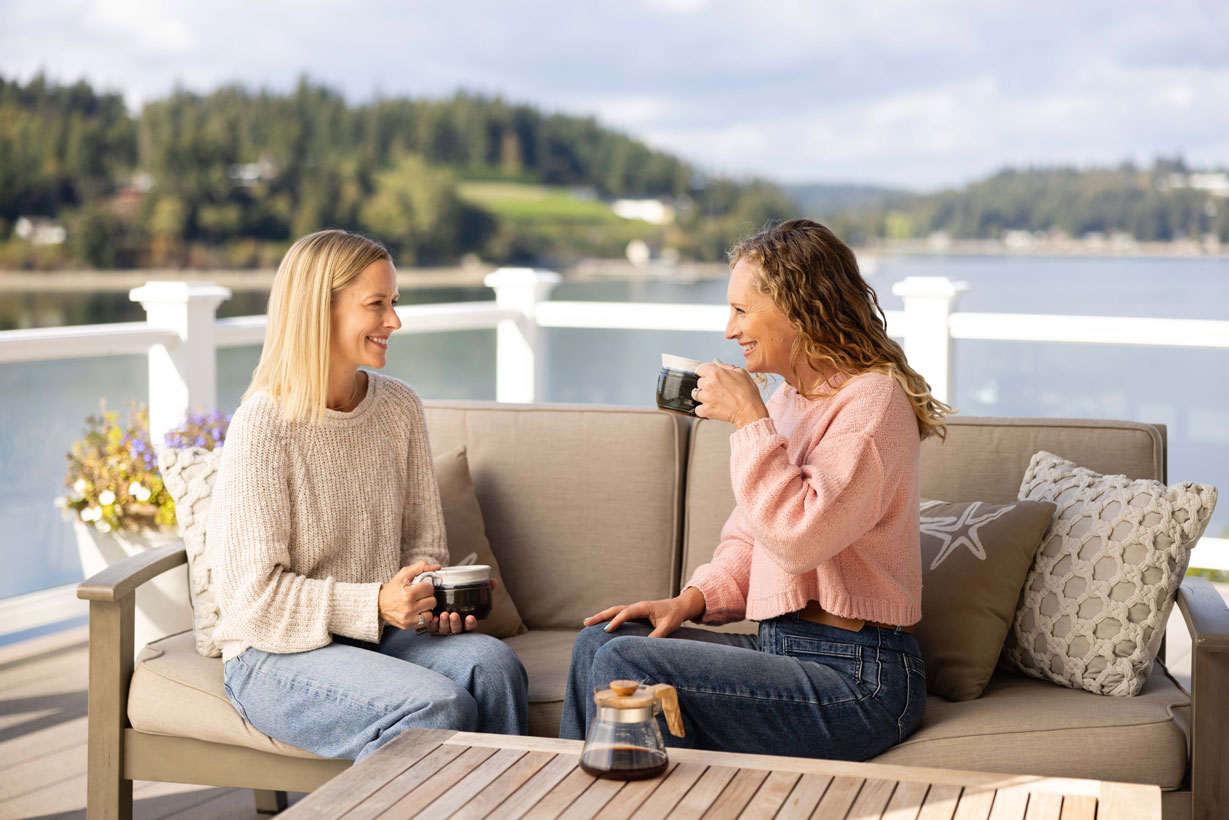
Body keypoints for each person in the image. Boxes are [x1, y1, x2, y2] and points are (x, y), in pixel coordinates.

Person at [560, 219, 950, 760]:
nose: (728, 329)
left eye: (742, 311)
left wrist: (749, 419)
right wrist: (689, 601)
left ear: (800, 307)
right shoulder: (788, 402)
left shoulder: (871, 403)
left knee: (630, 666)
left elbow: (799, 539)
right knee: (598, 645)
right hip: (782, 650)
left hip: (861, 675)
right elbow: (752, 540)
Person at [209, 229, 527, 761]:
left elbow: (423, 546)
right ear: (319, 311)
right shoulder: (264, 423)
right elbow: (252, 602)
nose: (394, 322)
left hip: (377, 637)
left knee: (494, 667)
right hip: (271, 654)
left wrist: (428, 598)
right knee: (435, 705)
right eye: (376, 305)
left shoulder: (399, 407)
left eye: (394, 303)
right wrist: (374, 603)